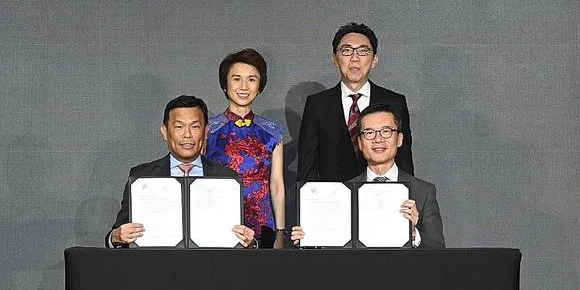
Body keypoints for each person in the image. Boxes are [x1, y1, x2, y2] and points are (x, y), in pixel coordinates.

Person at [107, 95, 256, 248]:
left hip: (211, 267)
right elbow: (117, 234)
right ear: (165, 131)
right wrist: (116, 237)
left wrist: (249, 242)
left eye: (195, 127)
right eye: (179, 127)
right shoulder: (141, 176)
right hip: (156, 267)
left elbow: (241, 238)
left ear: (206, 132)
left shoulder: (228, 179)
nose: (187, 135)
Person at [291, 103, 444, 248]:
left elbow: (438, 252)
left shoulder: (423, 192)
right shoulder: (342, 194)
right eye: (369, 133)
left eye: (386, 131)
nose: (378, 139)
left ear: (399, 139)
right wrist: (307, 239)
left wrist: (413, 234)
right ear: (360, 143)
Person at [296, 22, 413, 182]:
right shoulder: (317, 105)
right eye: (346, 51)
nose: (355, 58)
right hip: (333, 198)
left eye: (363, 51)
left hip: (381, 196)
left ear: (374, 60)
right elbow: (307, 165)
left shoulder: (394, 102)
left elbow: (404, 160)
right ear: (335, 60)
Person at [205, 49, 287, 248]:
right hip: (218, 221)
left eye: (251, 79)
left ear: (260, 86)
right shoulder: (208, 130)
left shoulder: (272, 132)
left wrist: (281, 233)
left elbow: (276, 185)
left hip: (263, 225)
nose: (243, 87)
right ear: (225, 84)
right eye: (236, 79)